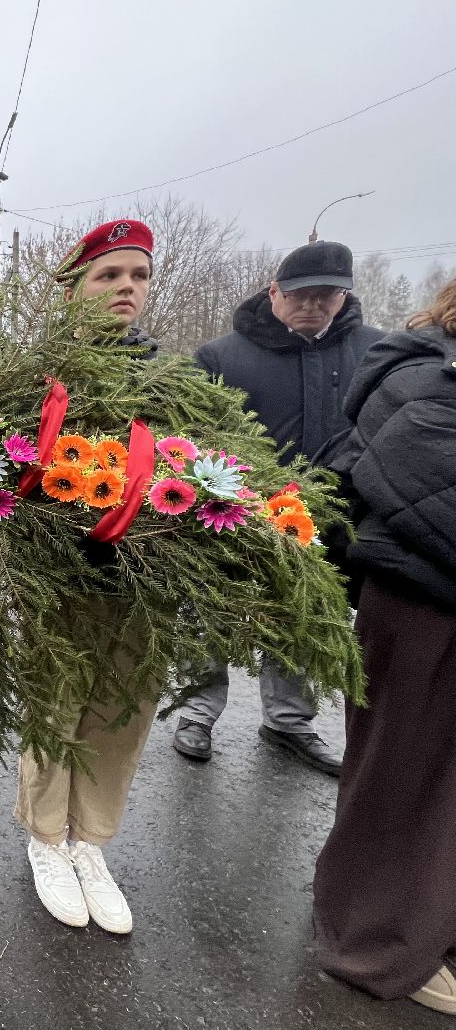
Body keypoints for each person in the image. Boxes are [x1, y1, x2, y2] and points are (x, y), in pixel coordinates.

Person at [171, 240, 383, 774]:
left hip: (329, 518)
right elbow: (195, 435)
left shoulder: (374, 353)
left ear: (344, 296)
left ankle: (289, 721)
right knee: (212, 612)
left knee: (303, 614)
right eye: (300, 295)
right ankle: (197, 711)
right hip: (234, 512)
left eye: (327, 295)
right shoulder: (222, 357)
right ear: (274, 293)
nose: (313, 305)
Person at [312, 278, 456, 1017]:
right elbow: (423, 483)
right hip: (423, 597)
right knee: (398, 774)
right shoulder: (424, 373)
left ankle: (432, 922)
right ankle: (373, 939)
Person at [16, 218, 159, 935]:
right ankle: (46, 840)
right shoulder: (43, 380)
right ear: (75, 291)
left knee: (120, 711)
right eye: (108, 276)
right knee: (57, 702)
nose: (126, 288)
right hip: (60, 577)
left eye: (137, 276)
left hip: (143, 586)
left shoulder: (172, 381)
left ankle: (89, 843)